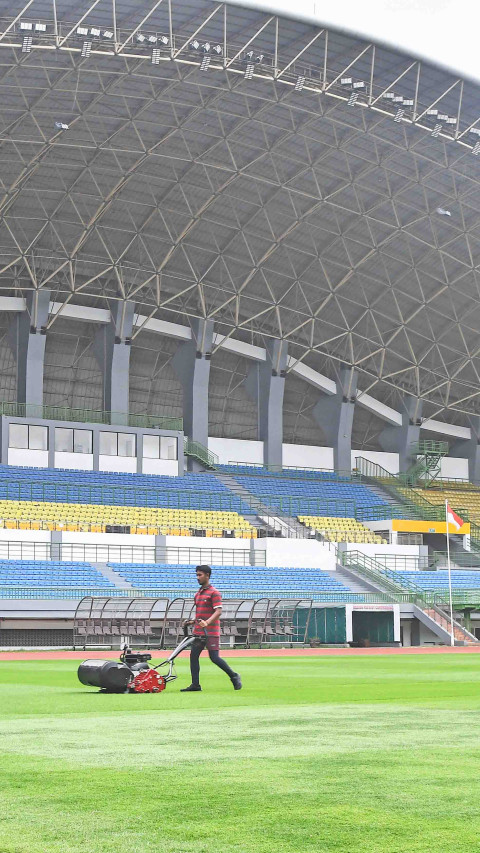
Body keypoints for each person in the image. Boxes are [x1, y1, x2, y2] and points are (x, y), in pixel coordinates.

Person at [181, 565, 242, 692]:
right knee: (193, 657)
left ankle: (234, 676)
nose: (197, 577)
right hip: (198, 632)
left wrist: (207, 622)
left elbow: (218, 611)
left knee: (214, 658)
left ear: (207, 575)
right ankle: (195, 684)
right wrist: (192, 622)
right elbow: (200, 614)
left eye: (200, 575)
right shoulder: (198, 594)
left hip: (210, 632)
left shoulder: (214, 593)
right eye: (196, 575)